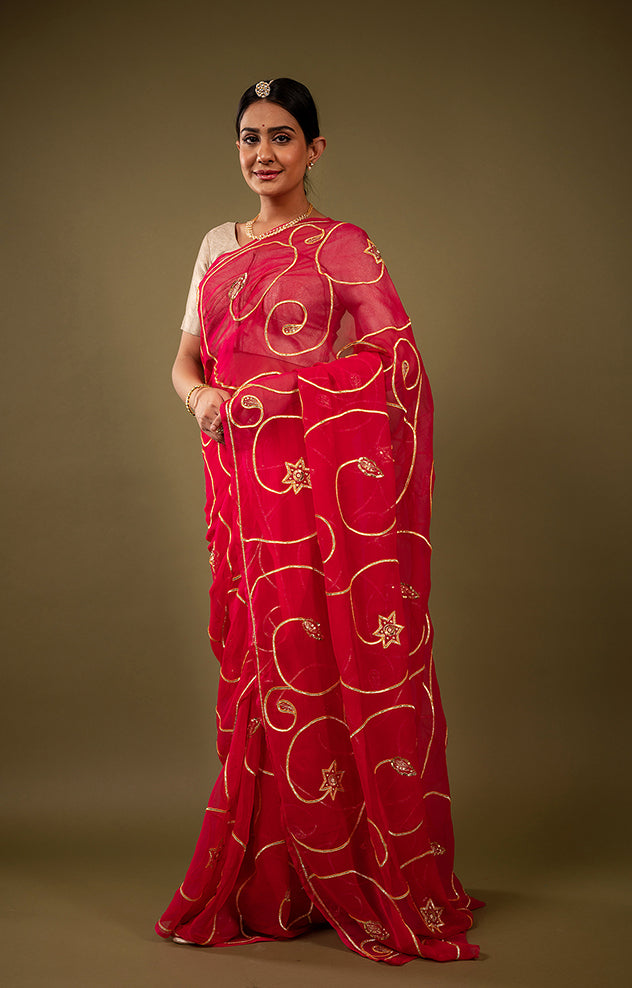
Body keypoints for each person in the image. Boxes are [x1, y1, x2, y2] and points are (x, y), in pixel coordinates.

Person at [156, 78, 482, 965]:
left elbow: (393, 360)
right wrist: (201, 399)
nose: (263, 153)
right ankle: (275, 875)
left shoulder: (342, 246)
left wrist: (289, 391)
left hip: (315, 492)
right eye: (250, 137)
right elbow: (184, 360)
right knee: (259, 664)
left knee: (319, 658)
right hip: (238, 481)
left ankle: (346, 866)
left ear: (314, 150)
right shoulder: (215, 246)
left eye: (282, 137)